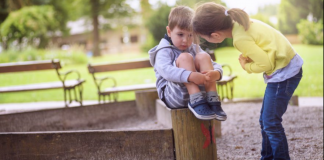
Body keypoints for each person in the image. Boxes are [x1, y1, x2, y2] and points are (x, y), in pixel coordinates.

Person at [192, 2, 303, 160]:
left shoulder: (239, 39)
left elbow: (266, 64)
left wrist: (246, 66)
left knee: (270, 122)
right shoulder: (241, 22)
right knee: (265, 120)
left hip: (284, 73)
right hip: (288, 66)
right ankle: (267, 157)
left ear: (215, 35)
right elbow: (265, 46)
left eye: (204, 38)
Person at [148, 6, 227, 121]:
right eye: (180, 34)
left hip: (202, 96)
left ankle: (213, 99)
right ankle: (196, 99)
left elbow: (213, 64)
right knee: (185, 57)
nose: (186, 40)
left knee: (203, 56)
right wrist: (189, 76)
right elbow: (165, 70)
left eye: (190, 35)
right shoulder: (164, 50)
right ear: (169, 31)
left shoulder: (194, 48)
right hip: (174, 96)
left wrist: (217, 73)